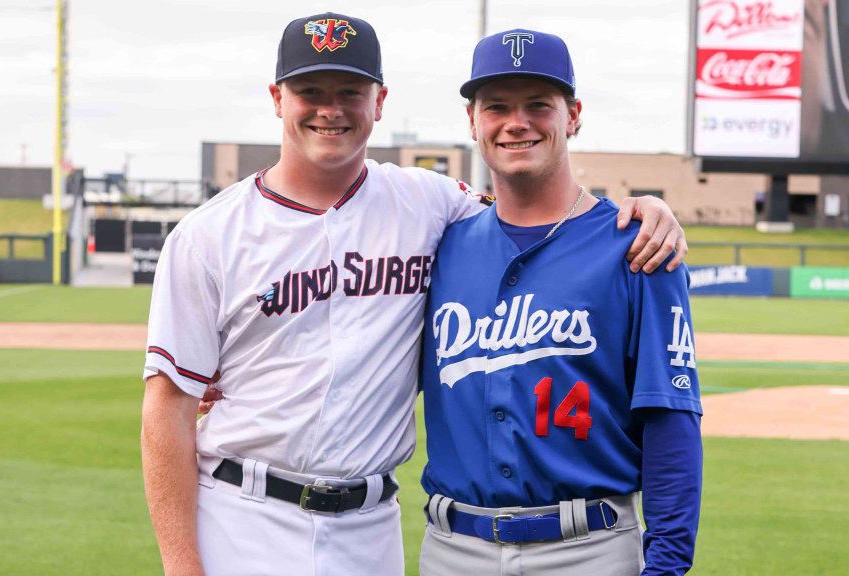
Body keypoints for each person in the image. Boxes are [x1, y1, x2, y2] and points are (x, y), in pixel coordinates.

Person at [141, 13, 687, 576]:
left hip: (369, 527)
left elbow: (534, 213)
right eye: (310, 91)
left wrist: (648, 212)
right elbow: (166, 408)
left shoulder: (429, 203)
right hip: (242, 513)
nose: (331, 109)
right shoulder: (208, 236)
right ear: (278, 98)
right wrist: (182, 566)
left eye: (351, 91)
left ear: (379, 102)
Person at [418, 30, 702, 575]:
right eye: (496, 106)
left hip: (589, 549)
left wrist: (666, 564)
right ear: (472, 121)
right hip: (452, 548)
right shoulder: (441, 245)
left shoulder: (638, 245)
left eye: (538, 105)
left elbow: (671, 418)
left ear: (573, 115)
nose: (516, 122)